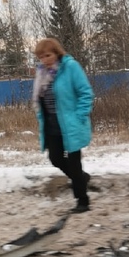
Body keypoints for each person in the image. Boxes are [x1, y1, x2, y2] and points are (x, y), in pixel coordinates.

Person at [32, 37, 94, 213]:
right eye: (41, 57)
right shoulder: (41, 74)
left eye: (48, 55)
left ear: (57, 52)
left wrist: (79, 115)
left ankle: (83, 201)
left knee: (74, 164)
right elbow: (40, 100)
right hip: (52, 126)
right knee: (56, 159)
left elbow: (86, 93)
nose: (45, 60)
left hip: (70, 125)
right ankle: (81, 179)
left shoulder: (70, 67)